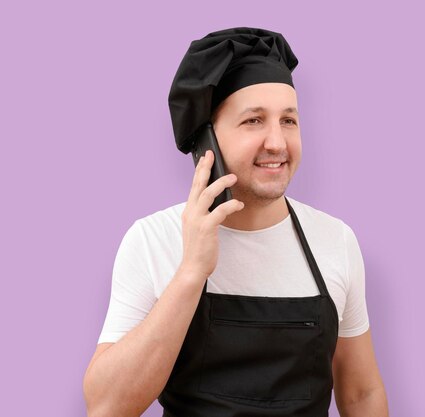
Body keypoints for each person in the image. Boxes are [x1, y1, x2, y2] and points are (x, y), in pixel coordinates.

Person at [83, 27, 388, 417]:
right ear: (206, 141)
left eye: (289, 121)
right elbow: (107, 405)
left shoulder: (335, 239)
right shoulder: (152, 240)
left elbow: (361, 392)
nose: (277, 143)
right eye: (254, 121)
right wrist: (192, 271)